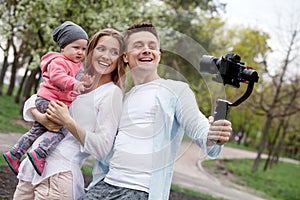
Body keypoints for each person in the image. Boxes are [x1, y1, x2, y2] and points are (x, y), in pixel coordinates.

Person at [47, 22, 232, 200]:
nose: (146, 49)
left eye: (152, 45)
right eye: (138, 45)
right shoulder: (121, 97)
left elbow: (198, 125)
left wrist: (211, 135)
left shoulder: (176, 90)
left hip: (139, 191)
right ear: (126, 56)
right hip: (105, 184)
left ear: (158, 55)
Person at [12, 28, 126, 200]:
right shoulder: (77, 79)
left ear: (120, 59)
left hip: (58, 176)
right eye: (101, 49)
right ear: (91, 50)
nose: (106, 56)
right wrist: (41, 117)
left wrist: (67, 121)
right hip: (30, 172)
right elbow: (35, 100)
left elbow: (102, 147)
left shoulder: (111, 94)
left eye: (114, 52)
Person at [3, 21, 91, 176]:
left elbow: (77, 84)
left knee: (36, 130)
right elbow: (58, 77)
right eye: (76, 47)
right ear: (63, 47)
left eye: (84, 49)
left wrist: (85, 84)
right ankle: (40, 153)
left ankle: (15, 154)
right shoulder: (58, 61)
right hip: (48, 100)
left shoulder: (76, 65)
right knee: (63, 128)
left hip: (52, 100)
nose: (80, 52)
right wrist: (75, 84)